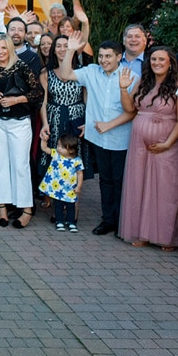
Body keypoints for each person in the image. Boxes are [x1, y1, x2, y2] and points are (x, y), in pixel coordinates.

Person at [58, 33, 136, 236]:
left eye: (108, 56)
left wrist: (109, 125)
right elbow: (65, 74)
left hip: (120, 138)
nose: (103, 60)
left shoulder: (131, 76)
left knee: (120, 181)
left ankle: (121, 222)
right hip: (98, 138)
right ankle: (108, 219)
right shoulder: (92, 71)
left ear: (119, 57)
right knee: (105, 180)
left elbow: (132, 111)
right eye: (101, 56)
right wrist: (71, 50)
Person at [118, 47, 178, 251]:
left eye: (161, 59)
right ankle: (142, 232)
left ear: (170, 63)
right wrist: (123, 89)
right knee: (140, 185)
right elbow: (130, 109)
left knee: (167, 189)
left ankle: (166, 236)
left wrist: (167, 143)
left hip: (167, 142)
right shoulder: (143, 82)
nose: (157, 62)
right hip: (139, 143)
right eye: (154, 59)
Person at [0, 34, 43, 229]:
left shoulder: (21, 66)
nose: (0, 52)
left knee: (20, 165)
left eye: (4, 48)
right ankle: (2, 206)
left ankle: (26, 208)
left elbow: (38, 93)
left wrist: (16, 99)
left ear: (10, 49)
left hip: (19, 122)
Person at [39, 35, 86, 196]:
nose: (62, 49)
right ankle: (53, 199)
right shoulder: (46, 72)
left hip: (75, 119)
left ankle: (73, 203)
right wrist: (45, 123)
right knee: (55, 158)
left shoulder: (81, 71)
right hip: (55, 119)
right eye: (58, 46)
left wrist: (87, 122)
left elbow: (87, 101)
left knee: (74, 159)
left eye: (66, 46)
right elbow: (43, 102)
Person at [39, 131, 84, 231]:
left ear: (71, 150)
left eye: (62, 147)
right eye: (58, 145)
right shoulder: (56, 154)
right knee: (58, 205)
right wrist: (43, 141)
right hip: (58, 188)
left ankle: (71, 221)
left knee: (71, 205)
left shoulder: (77, 160)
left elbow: (80, 173)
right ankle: (59, 221)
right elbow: (45, 149)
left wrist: (79, 186)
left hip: (70, 188)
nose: (58, 148)